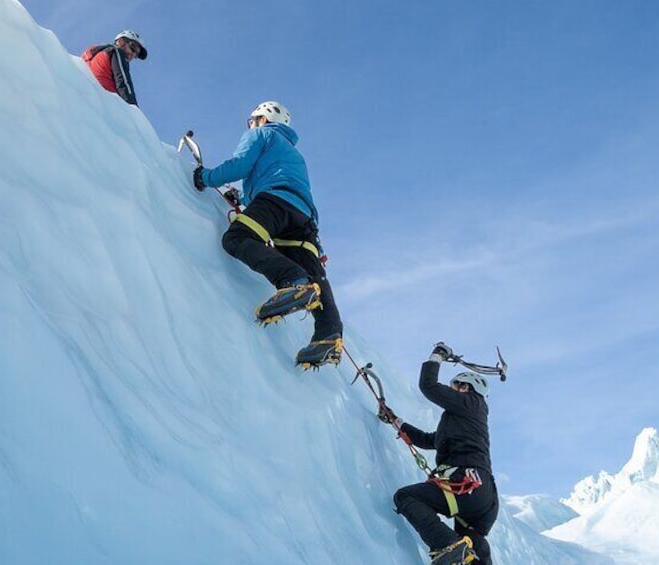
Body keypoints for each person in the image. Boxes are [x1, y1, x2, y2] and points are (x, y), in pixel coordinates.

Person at [192, 101, 343, 368]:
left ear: (262, 118)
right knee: (313, 272)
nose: (250, 125)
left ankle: (293, 282)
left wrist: (206, 177)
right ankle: (329, 335)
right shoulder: (294, 154)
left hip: (275, 201)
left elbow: (240, 164)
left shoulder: (262, 134)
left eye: (252, 120)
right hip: (304, 218)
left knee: (237, 238)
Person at [380, 343, 499, 564]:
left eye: (455, 385)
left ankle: (446, 544)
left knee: (406, 496)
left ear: (467, 387)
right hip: (482, 496)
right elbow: (428, 440)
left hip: (468, 481)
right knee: (473, 542)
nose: (451, 389)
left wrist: (437, 356)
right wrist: (395, 421)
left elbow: (429, 385)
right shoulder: (463, 421)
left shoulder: (472, 403)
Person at [82, 30, 147, 106]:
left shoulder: (92, 57)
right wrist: (134, 110)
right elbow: (124, 83)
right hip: (106, 105)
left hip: (92, 101)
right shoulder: (116, 52)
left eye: (136, 54)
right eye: (132, 48)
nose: (133, 54)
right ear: (120, 41)